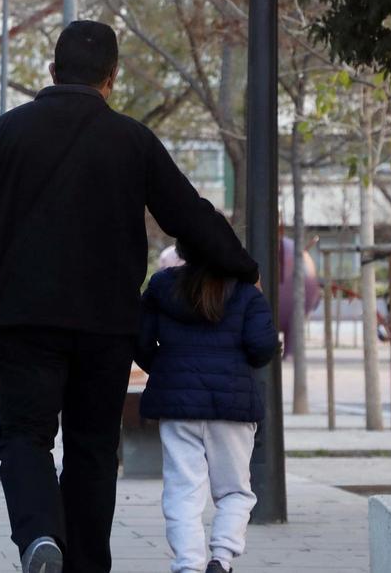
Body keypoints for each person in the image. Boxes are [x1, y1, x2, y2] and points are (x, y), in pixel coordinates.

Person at [0, 20, 257, 573]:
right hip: (107, 325)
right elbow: (187, 215)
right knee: (93, 447)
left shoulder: (6, 135)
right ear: (112, 78)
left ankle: (40, 538)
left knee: (24, 436)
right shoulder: (133, 141)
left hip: (25, 320)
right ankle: (89, 564)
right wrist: (243, 267)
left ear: (52, 72)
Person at [136, 242, 278, 573]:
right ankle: (222, 559)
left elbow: (139, 339)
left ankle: (188, 565)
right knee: (235, 492)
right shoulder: (245, 291)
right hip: (232, 406)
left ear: (183, 249)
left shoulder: (161, 286)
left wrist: (169, 370)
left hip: (178, 407)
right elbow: (261, 348)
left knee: (182, 491)